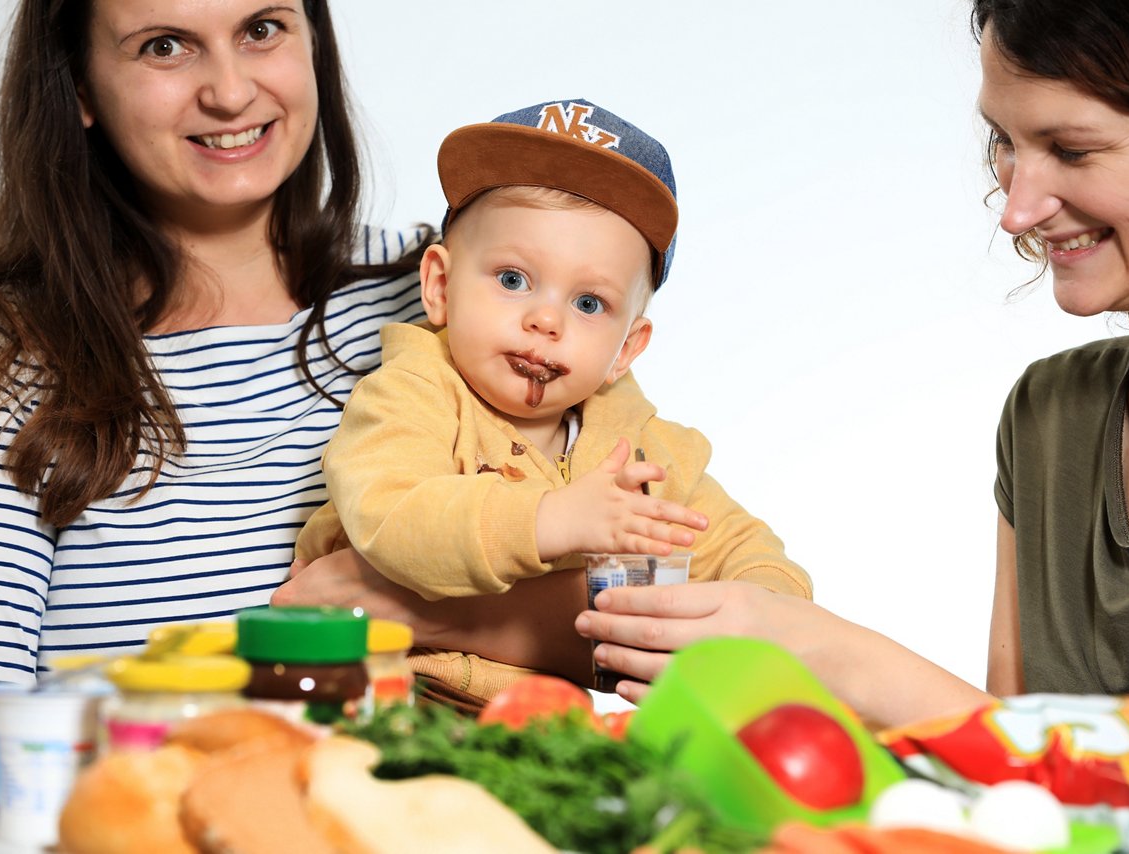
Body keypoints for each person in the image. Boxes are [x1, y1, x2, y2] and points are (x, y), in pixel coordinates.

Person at [577, 0, 1129, 728]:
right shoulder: (1051, 414)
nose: (1016, 209)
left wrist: (821, 650)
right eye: (1004, 141)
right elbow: (1014, 793)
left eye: (1072, 150)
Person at [0, 0, 427, 722]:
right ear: (79, 86)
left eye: (261, 30)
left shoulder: (439, 292)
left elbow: (622, 596)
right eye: (164, 46)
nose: (230, 92)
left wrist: (460, 623)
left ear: (314, 42)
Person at [295, 99, 812, 701]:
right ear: (439, 286)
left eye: (588, 304)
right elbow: (393, 519)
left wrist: (766, 607)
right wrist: (550, 520)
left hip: (540, 728)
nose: (546, 320)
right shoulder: (409, 397)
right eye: (513, 279)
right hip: (379, 703)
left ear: (626, 347)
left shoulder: (645, 450)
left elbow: (736, 544)